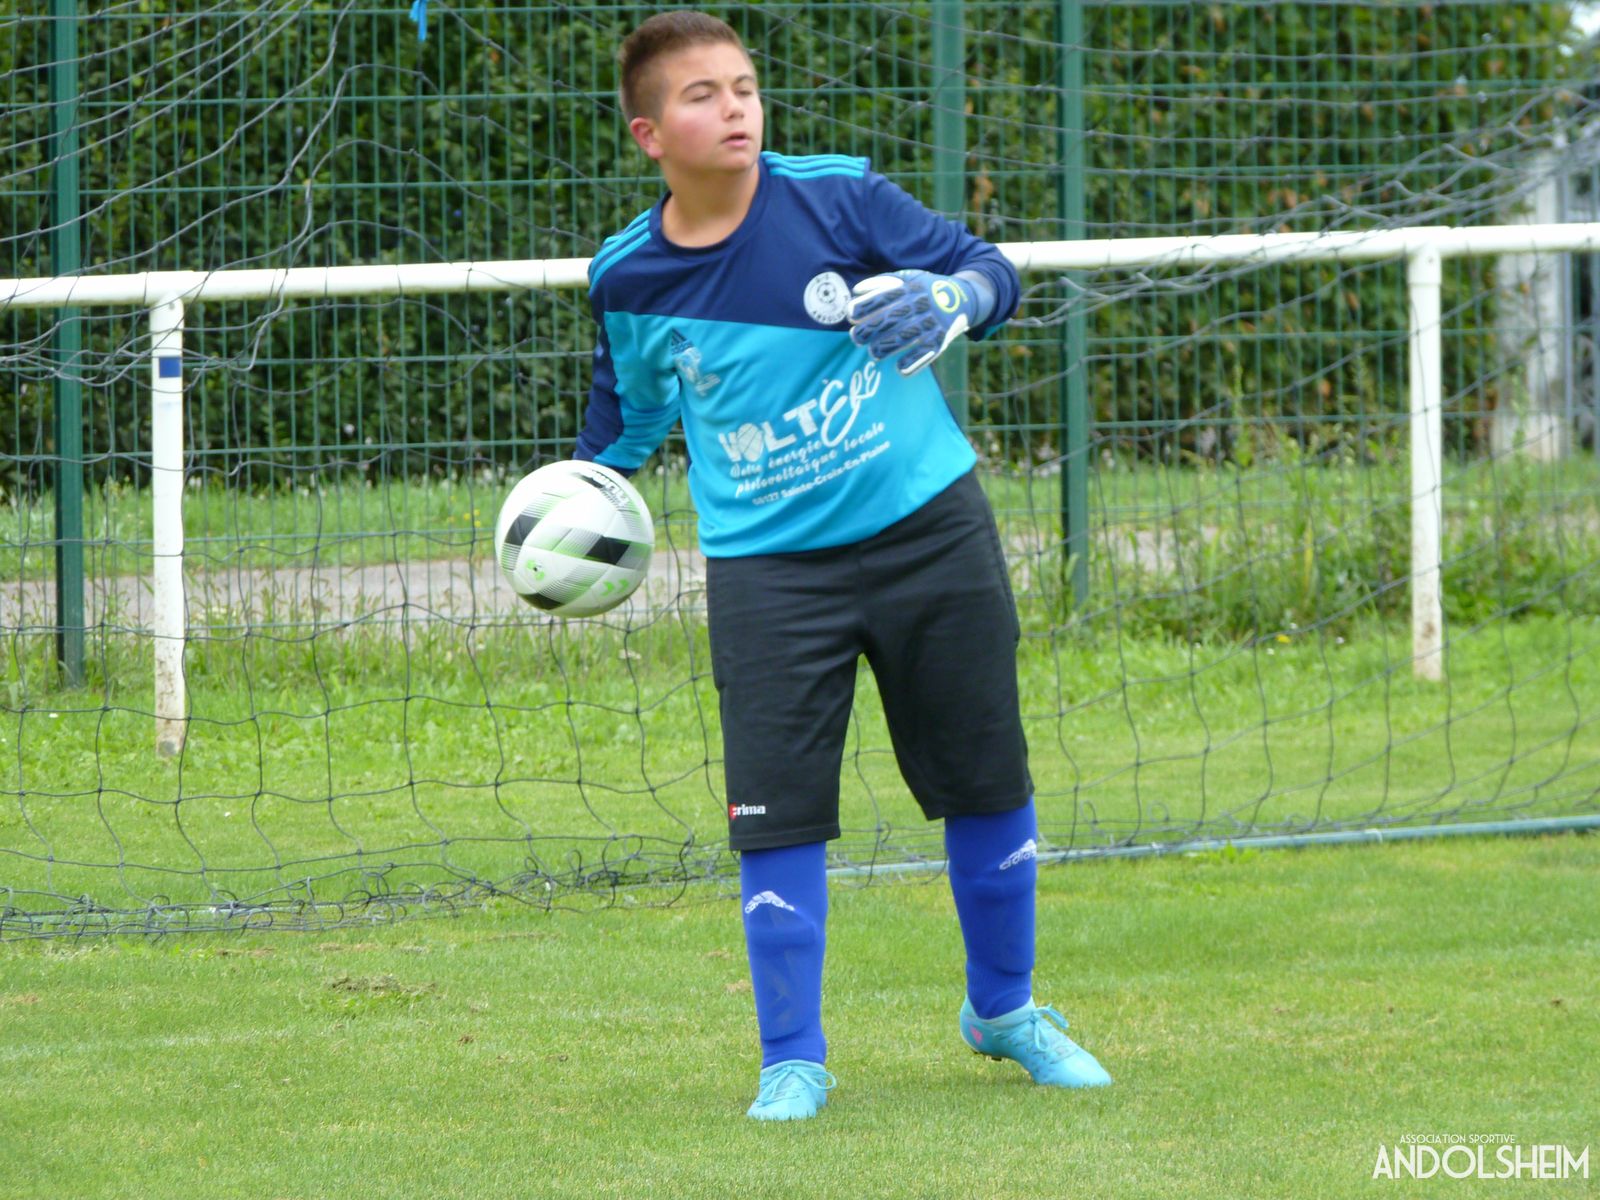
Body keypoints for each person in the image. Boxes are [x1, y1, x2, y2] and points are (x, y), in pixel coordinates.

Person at [574, 10, 1111, 1121]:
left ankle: (1005, 1010)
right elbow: (624, 427)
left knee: (986, 778)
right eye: (702, 95)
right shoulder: (628, 277)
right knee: (775, 816)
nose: (735, 108)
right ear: (648, 134)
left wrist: (952, 300)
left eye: (744, 86)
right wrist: (571, 516)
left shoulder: (839, 197)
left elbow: (987, 269)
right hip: (770, 574)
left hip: (931, 532)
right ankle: (793, 1060)